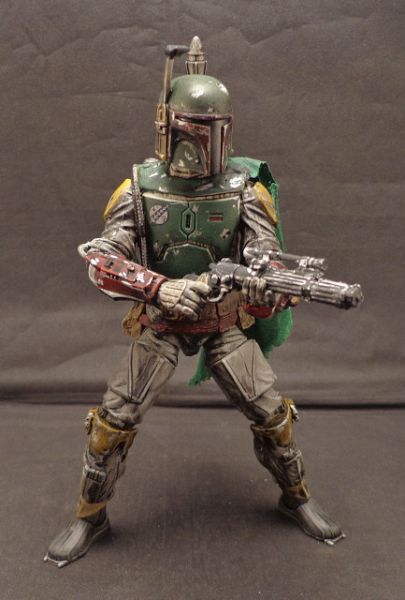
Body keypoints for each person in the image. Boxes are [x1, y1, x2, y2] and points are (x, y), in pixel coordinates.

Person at [45, 37, 343, 568]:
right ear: (167, 127)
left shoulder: (245, 190)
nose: (201, 148)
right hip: (161, 322)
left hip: (222, 321)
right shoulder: (139, 188)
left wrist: (265, 289)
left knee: (274, 417)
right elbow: (101, 258)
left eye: (211, 133)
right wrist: (158, 288)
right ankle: (90, 516)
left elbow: (265, 257)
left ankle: (296, 497)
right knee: (112, 423)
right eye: (192, 133)